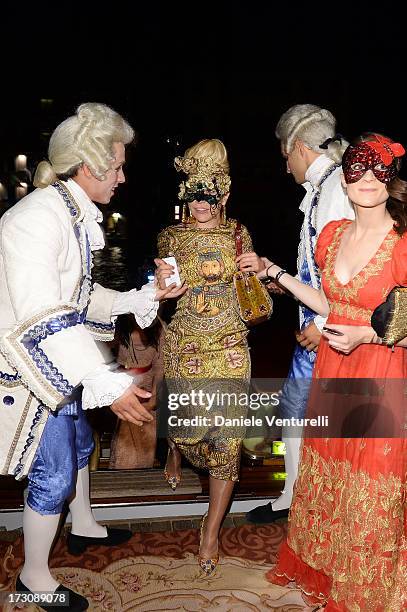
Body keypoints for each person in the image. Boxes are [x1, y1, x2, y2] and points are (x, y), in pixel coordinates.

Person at [0, 102, 184, 611]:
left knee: (81, 442)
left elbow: (82, 298)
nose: (123, 177)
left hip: (52, 354)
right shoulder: (38, 218)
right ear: (89, 167)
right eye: (119, 166)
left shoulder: (69, 212)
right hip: (29, 366)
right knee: (54, 469)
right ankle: (32, 577)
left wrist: (144, 296)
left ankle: (81, 524)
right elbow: (45, 315)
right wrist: (106, 379)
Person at [259, 132, 407, 609]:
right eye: (358, 169)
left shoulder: (402, 243)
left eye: (378, 171)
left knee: (372, 491)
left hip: (385, 378)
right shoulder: (332, 236)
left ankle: (370, 589)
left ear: (392, 180)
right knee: (333, 480)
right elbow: (329, 304)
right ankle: (326, 569)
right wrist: (276, 274)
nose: (366, 179)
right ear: (345, 177)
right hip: (334, 373)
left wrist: (369, 334)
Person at [155, 138, 268, 575]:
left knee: (228, 441)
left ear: (225, 192)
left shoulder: (239, 233)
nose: (201, 203)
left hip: (231, 347)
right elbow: (160, 299)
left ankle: (210, 530)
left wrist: (259, 270)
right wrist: (160, 286)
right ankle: (175, 451)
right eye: (193, 193)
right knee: (188, 428)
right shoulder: (171, 236)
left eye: (210, 193)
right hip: (186, 345)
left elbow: (252, 286)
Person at [245, 104, 354, 525]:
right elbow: (316, 264)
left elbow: (347, 269)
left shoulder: (335, 190)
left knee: (318, 418)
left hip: (329, 328)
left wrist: (324, 325)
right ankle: (294, 495)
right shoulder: (324, 187)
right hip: (314, 320)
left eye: (285, 152)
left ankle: (311, 502)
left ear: (301, 147)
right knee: (294, 411)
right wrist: (286, 285)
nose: (283, 161)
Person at [109, 315, 164, 469]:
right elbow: (105, 354)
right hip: (118, 389)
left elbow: (160, 367)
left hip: (146, 392)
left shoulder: (159, 329)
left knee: (144, 431)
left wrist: (153, 397)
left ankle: (139, 473)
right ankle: (121, 472)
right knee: (124, 440)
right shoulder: (118, 323)